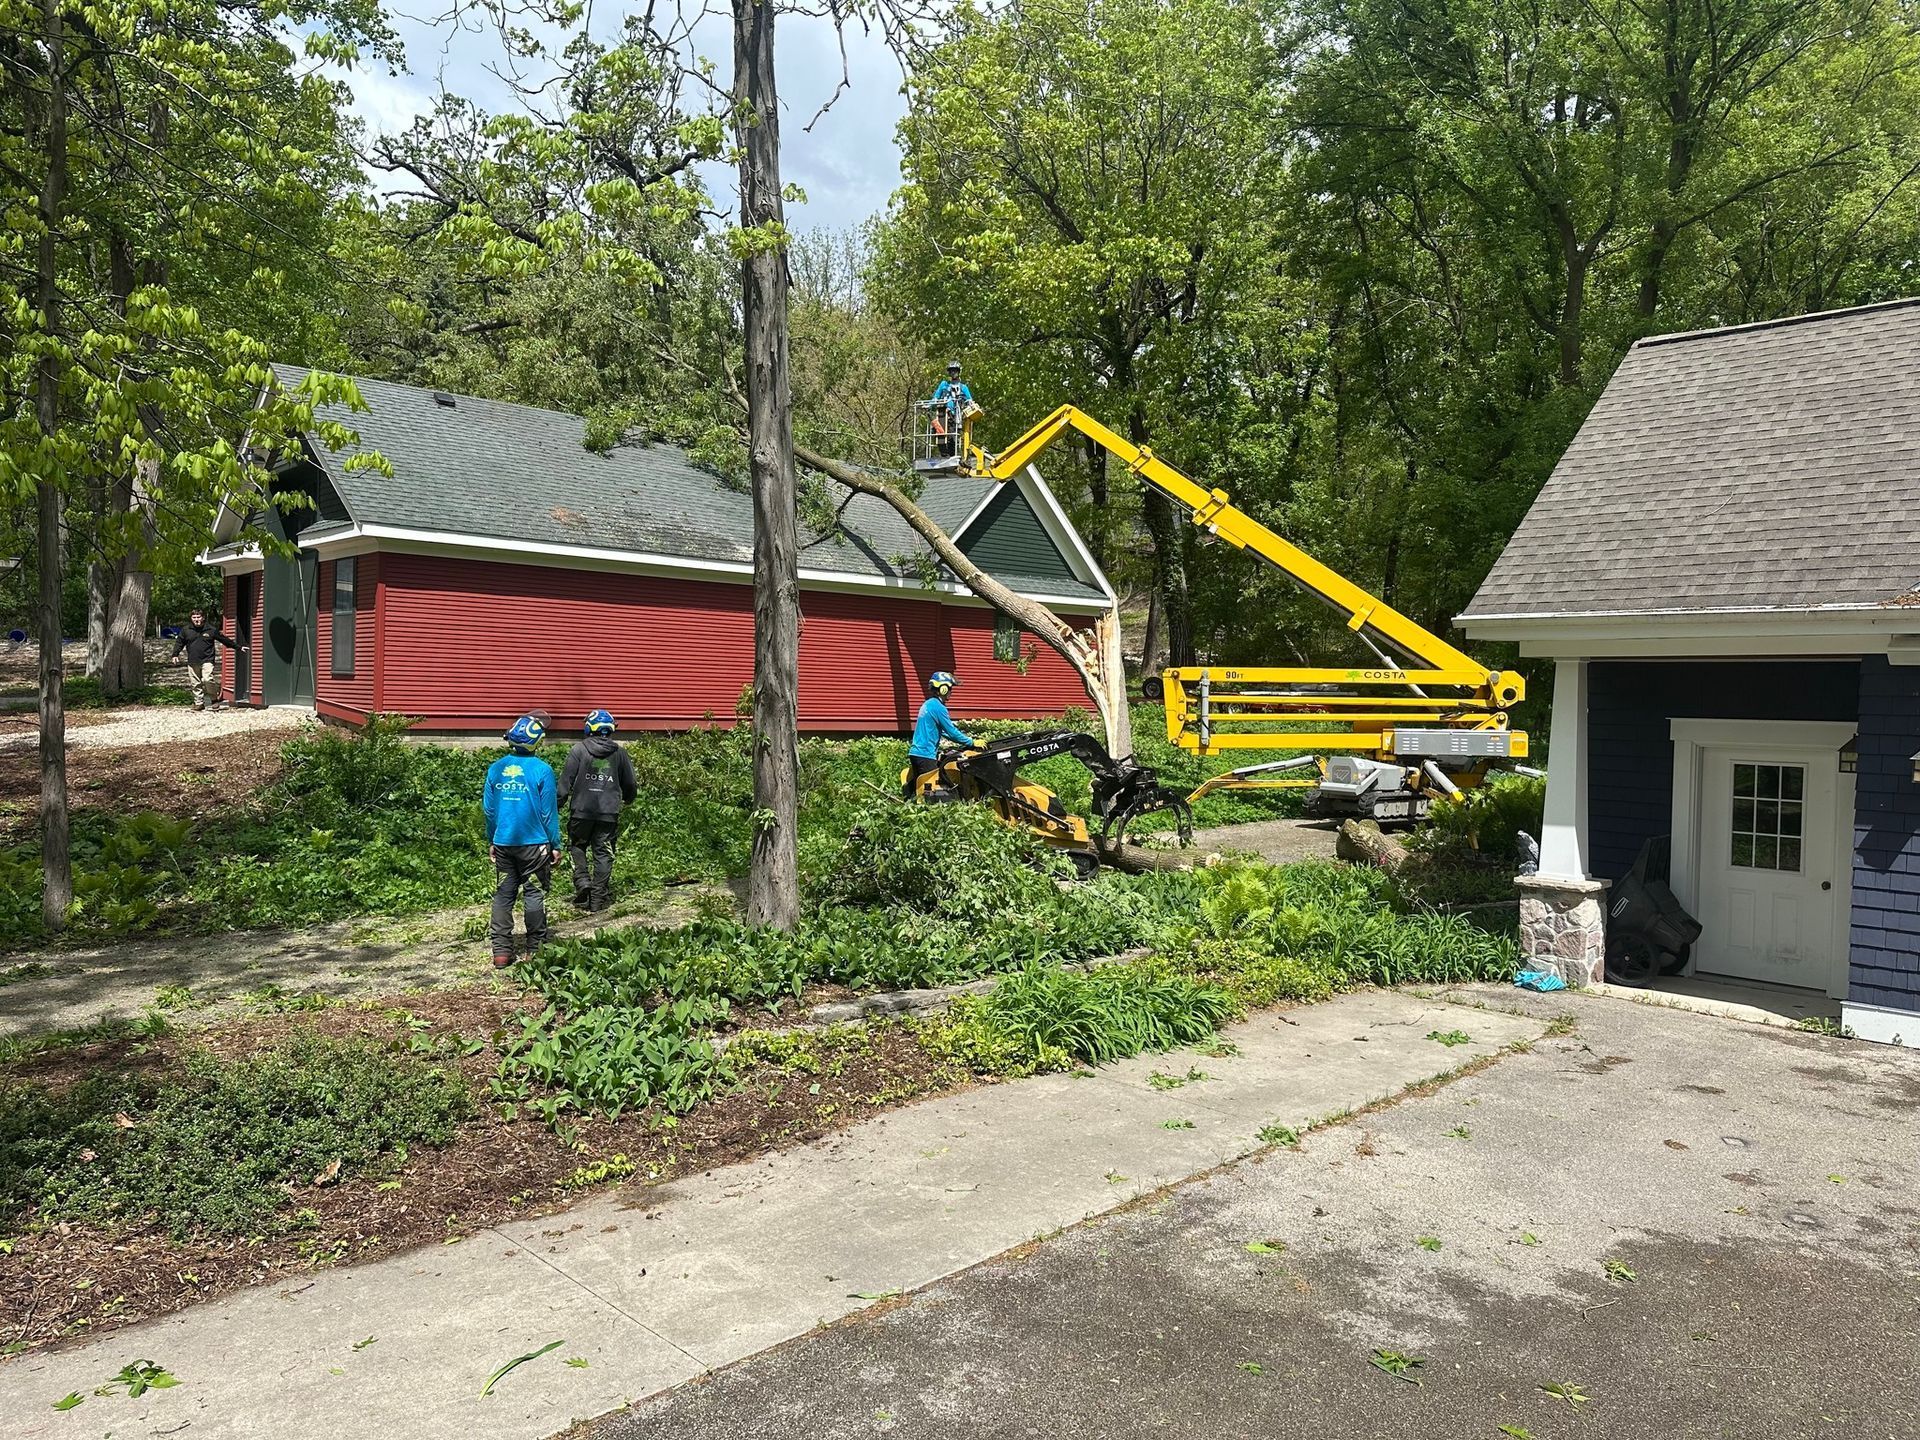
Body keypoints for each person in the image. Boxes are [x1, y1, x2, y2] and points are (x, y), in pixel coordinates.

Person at [483, 714, 561, 968]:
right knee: (534, 893)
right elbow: (549, 812)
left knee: (504, 894)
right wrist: (555, 844)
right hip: (535, 846)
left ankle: (501, 952)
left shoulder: (496, 769)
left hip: (504, 843)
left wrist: (493, 839)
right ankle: (535, 949)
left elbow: (490, 811)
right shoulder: (542, 770)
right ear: (537, 742)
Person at [560, 709, 637, 913]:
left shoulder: (578, 750)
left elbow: (565, 780)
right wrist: (629, 798)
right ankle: (598, 898)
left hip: (581, 811)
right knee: (604, 853)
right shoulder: (619, 753)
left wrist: (558, 803)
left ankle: (583, 881)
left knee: (577, 846)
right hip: (608, 813)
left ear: (588, 728)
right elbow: (630, 782)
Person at [904, 671, 974, 797]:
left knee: (918, 789)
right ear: (943, 688)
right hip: (926, 755)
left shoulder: (928, 704)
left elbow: (941, 730)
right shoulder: (938, 707)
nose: (951, 692)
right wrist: (971, 742)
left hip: (916, 753)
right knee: (933, 792)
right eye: (950, 689)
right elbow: (951, 732)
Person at [169, 608, 239, 711]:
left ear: (203, 618)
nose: (196, 619)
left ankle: (214, 700)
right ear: (191, 618)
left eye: (198, 617)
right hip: (193, 660)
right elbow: (179, 642)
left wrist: (238, 647)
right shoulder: (186, 630)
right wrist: (175, 655)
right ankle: (199, 703)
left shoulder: (211, 629)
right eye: (194, 617)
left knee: (207, 679)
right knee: (195, 683)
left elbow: (224, 640)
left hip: (207, 659)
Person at [929, 361, 974, 456]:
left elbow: (969, 400)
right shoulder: (944, 385)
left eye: (955, 371)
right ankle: (943, 453)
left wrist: (971, 405)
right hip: (942, 413)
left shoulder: (963, 387)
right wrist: (928, 405)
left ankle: (952, 454)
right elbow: (936, 397)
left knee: (952, 437)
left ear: (958, 372)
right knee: (938, 432)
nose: (953, 373)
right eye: (951, 371)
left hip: (954, 416)